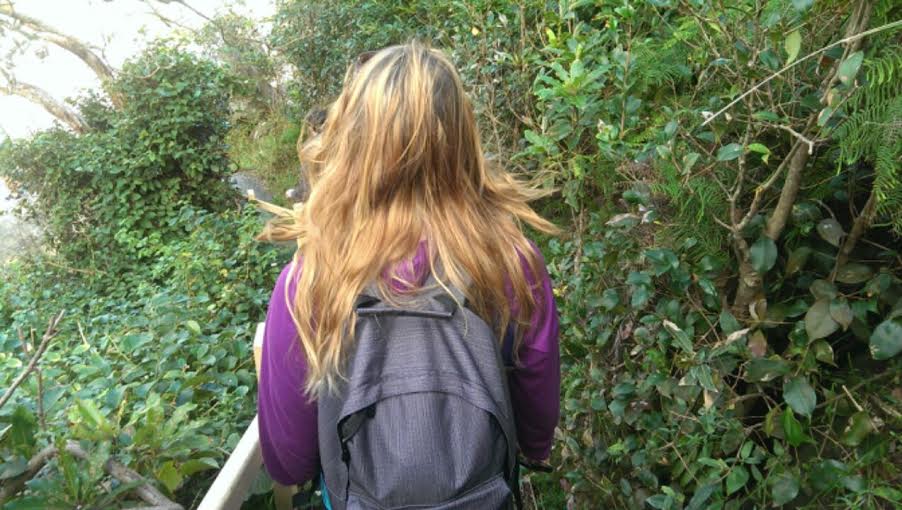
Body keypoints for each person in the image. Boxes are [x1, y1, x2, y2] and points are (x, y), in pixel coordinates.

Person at [256, 41, 560, 508]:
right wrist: (530, 447)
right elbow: (536, 413)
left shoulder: (312, 278)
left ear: (353, 142)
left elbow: (289, 460)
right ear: (462, 140)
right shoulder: (511, 262)